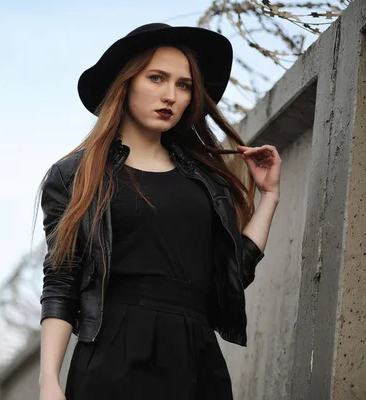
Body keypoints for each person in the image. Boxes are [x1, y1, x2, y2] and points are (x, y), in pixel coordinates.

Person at [36, 23, 281, 400]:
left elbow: (231, 275)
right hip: (110, 359)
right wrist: (49, 381)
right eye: (157, 78)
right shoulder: (76, 176)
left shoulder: (204, 181)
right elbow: (61, 280)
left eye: (183, 85)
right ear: (127, 83)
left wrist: (269, 197)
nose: (170, 95)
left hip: (197, 362)